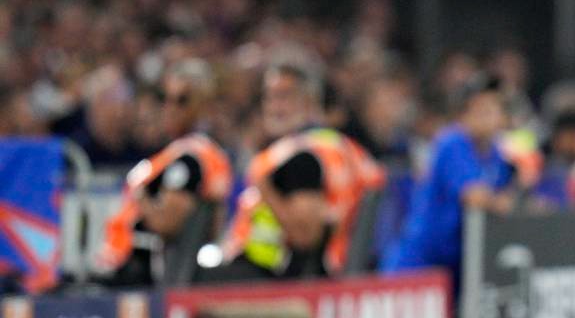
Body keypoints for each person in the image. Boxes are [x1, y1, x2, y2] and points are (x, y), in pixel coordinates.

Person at [206, 61, 383, 282]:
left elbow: (305, 237)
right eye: (268, 97)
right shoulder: (333, 145)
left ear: (309, 101)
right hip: (277, 272)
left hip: (274, 279)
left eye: (284, 96)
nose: (273, 107)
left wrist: (265, 188)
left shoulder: (303, 157)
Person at [96, 60, 233, 286]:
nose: (170, 108)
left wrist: (140, 195)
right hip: (126, 267)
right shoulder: (190, 153)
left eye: (182, 100)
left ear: (204, 105)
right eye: (165, 99)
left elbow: (166, 224)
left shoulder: (189, 160)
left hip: (136, 275)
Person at [381, 76, 519, 280]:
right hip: (419, 264)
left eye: (494, 109)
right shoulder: (452, 142)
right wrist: (501, 203)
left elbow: (509, 192)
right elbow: (474, 196)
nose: (489, 116)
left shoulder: (496, 152)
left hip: (455, 264)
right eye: (481, 110)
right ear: (464, 114)